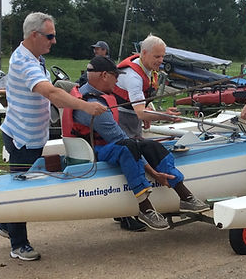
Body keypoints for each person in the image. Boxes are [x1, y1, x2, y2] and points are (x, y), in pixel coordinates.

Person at [0, 12, 107, 261]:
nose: (54, 41)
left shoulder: (37, 58)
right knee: (20, 188)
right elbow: (51, 93)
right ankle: (18, 244)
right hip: (22, 137)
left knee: (23, 181)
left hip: (32, 135)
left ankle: (5, 224)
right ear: (34, 35)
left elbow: (57, 88)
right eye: (50, 36)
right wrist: (85, 107)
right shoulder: (24, 62)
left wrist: (79, 93)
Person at [66, 56, 210, 230]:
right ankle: (145, 207)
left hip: (107, 145)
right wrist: (153, 173)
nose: (118, 79)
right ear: (104, 75)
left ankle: (185, 196)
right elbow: (122, 140)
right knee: (129, 146)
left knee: (150, 144)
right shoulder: (93, 106)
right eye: (115, 75)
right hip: (95, 151)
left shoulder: (91, 93)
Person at [113, 34, 180, 139]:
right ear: (144, 53)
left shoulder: (148, 69)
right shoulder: (133, 77)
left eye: (163, 56)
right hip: (120, 120)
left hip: (134, 118)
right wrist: (165, 115)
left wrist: (148, 112)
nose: (161, 60)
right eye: (157, 56)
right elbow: (140, 113)